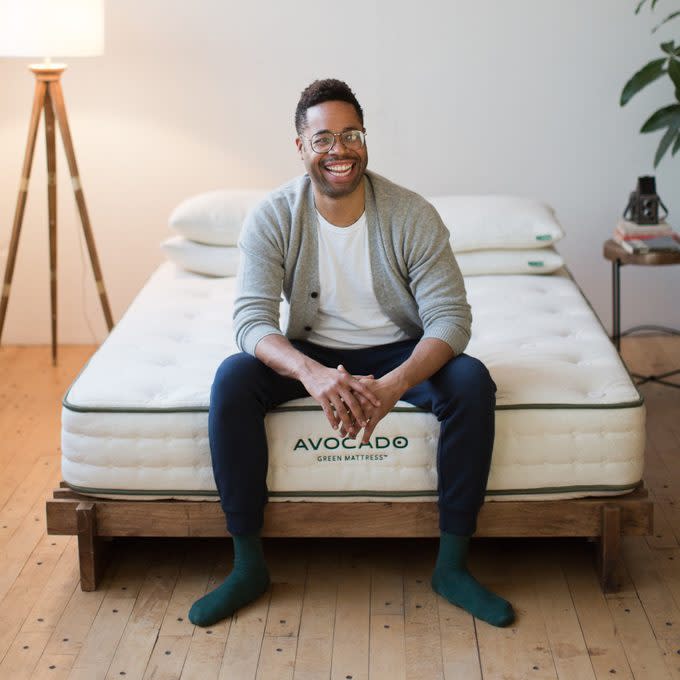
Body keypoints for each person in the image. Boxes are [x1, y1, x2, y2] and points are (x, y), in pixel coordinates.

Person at [188, 78, 514, 628]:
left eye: (350, 134)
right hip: (312, 351)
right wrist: (310, 373)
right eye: (322, 139)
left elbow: (451, 319)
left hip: (397, 351)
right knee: (233, 378)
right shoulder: (273, 216)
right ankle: (248, 565)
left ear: (365, 140)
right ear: (301, 148)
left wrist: (394, 385)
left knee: (471, 382)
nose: (338, 149)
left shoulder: (411, 213)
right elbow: (251, 321)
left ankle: (452, 566)